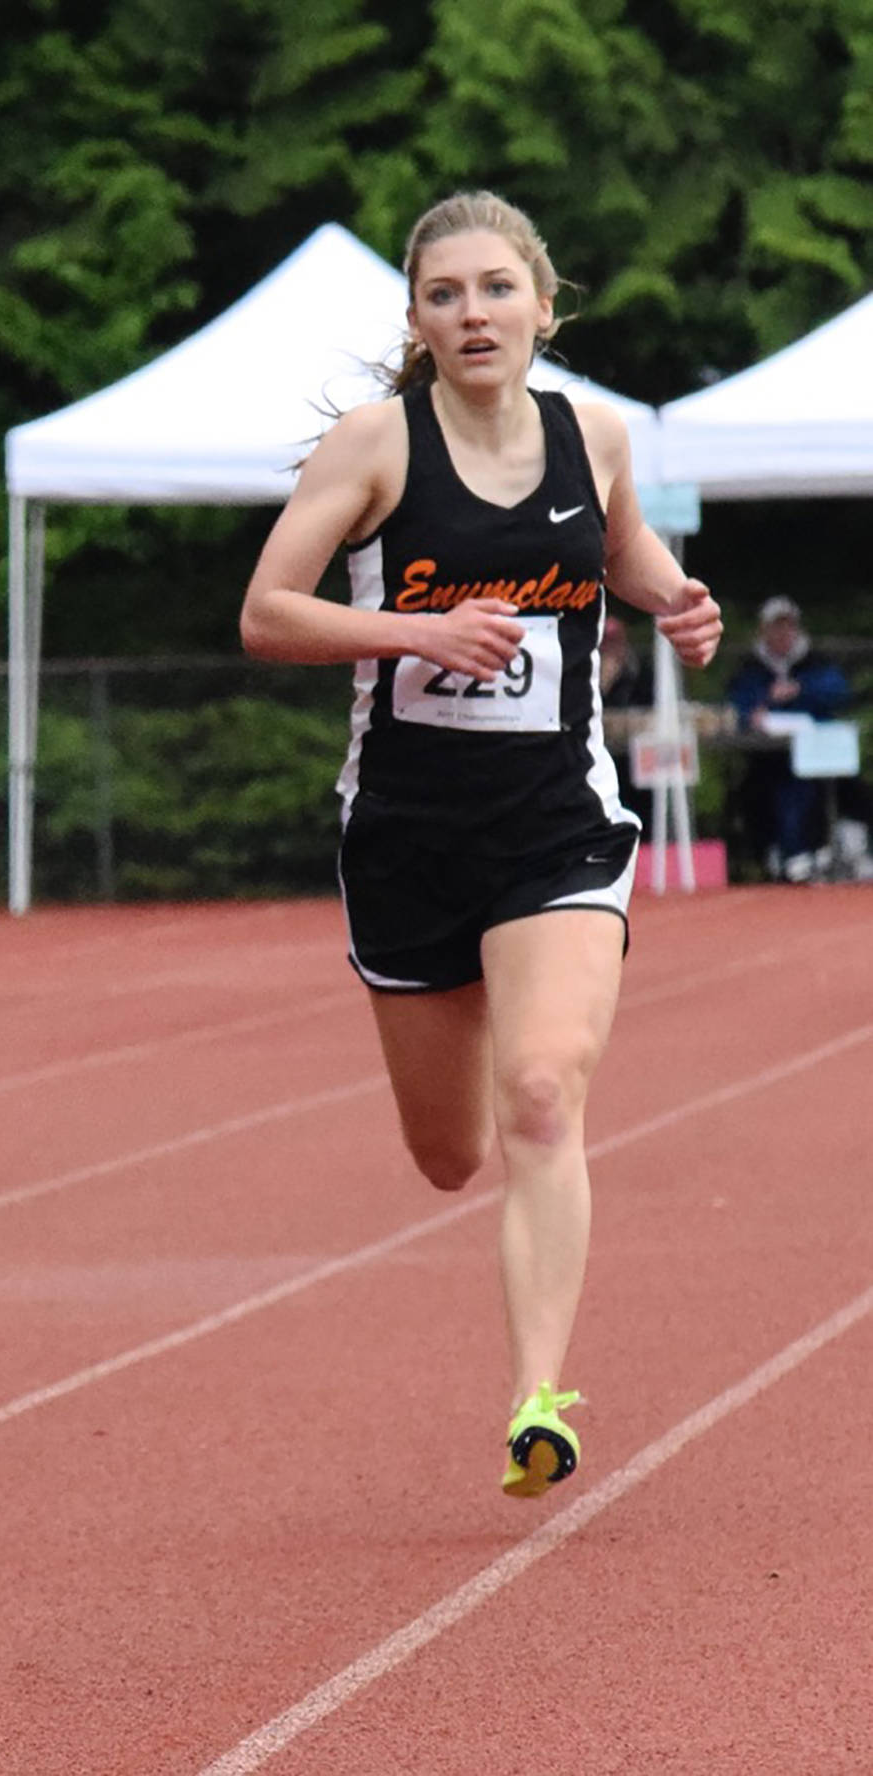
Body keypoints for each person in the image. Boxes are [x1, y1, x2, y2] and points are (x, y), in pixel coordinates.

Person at [239, 191, 722, 1500]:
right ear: (417, 319)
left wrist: (675, 597)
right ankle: (526, 1354)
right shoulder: (376, 447)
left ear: (543, 308)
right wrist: (417, 631)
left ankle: (537, 1397)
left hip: (556, 822)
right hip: (403, 837)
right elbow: (269, 614)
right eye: (446, 294)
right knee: (451, 1154)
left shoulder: (596, 434)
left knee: (545, 1093)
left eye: (498, 289)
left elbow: (623, 553)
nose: (474, 314)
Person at [726, 595, 855, 880]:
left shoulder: (815, 660)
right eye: (776, 627)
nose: (783, 634)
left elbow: (839, 693)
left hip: (813, 757)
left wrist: (800, 690)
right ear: (764, 630)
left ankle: (810, 853)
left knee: (813, 794)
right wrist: (759, 707)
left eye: (788, 627)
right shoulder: (751, 666)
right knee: (754, 793)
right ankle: (773, 855)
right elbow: (738, 704)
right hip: (766, 756)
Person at [596, 611, 654, 827]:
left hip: (636, 749)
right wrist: (603, 686)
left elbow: (650, 704)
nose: (612, 649)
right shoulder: (588, 672)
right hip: (605, 748)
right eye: (607, 644)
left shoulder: (639, 669)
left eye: (615, 642)